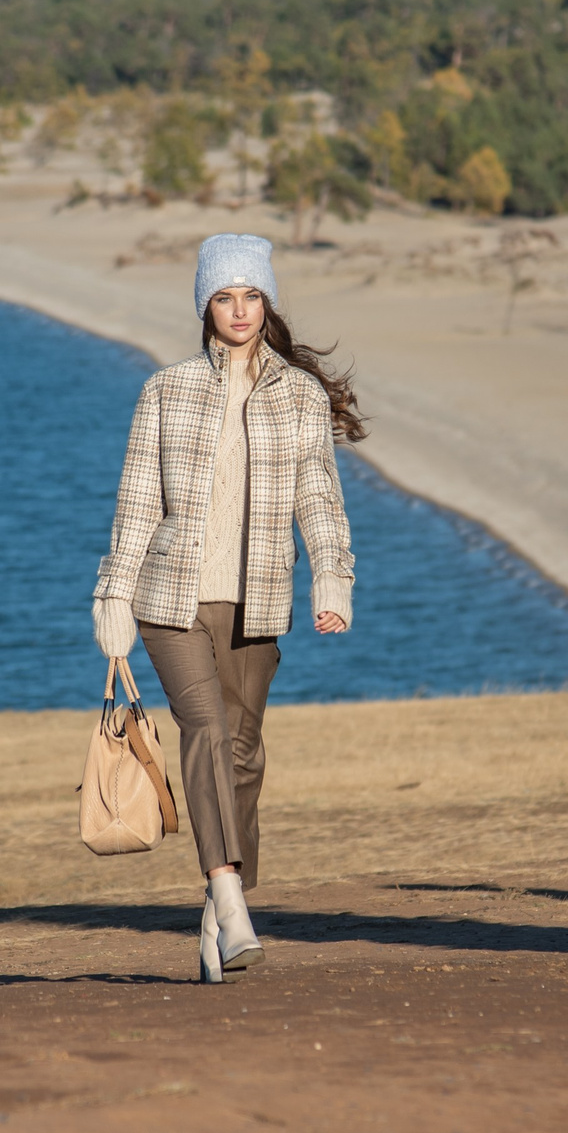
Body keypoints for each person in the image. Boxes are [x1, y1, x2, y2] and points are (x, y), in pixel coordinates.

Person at [93, 233, 362, 984]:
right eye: (223, 296)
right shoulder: (166, 389)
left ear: (266, 302)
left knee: (243, 755)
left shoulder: (301, 396)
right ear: (204, 305)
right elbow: (137, 503)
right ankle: (229, 897)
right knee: (207, 732)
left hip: (258, 603)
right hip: (169, 598)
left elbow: (319, 497)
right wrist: (114, 594)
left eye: (251, 295)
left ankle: (216, 915)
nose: (238, 310)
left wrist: (331, 581)